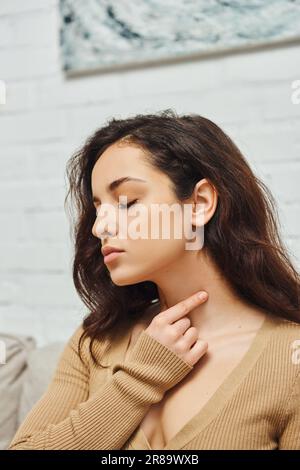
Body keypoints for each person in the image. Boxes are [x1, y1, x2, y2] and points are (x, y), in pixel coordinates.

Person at [8, 109, 300, 450]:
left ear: (200, 203)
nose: (99, 227)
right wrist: (138, 380)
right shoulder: (96, 341)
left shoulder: (289, 358)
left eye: (127, 202)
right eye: (98, 208)